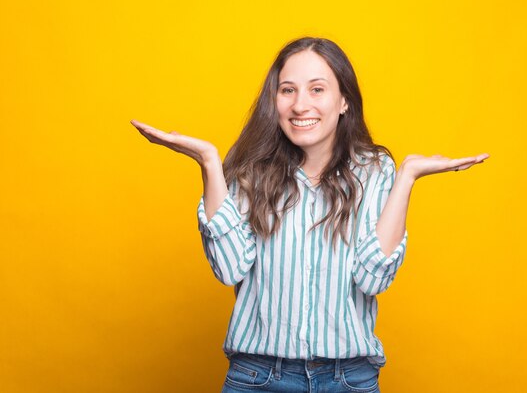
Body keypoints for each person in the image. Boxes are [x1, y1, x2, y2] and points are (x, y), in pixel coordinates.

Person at [131, 36, 489, 392]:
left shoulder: (375, 171)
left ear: (344, 101)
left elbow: (373, 279)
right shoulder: (250, 169)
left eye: (317, 89)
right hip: (257, 378)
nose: (300, 105)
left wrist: (407, 176)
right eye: (288, 90)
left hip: (348, 380)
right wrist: (209, 161)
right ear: (275, 100)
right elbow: (229, 269)